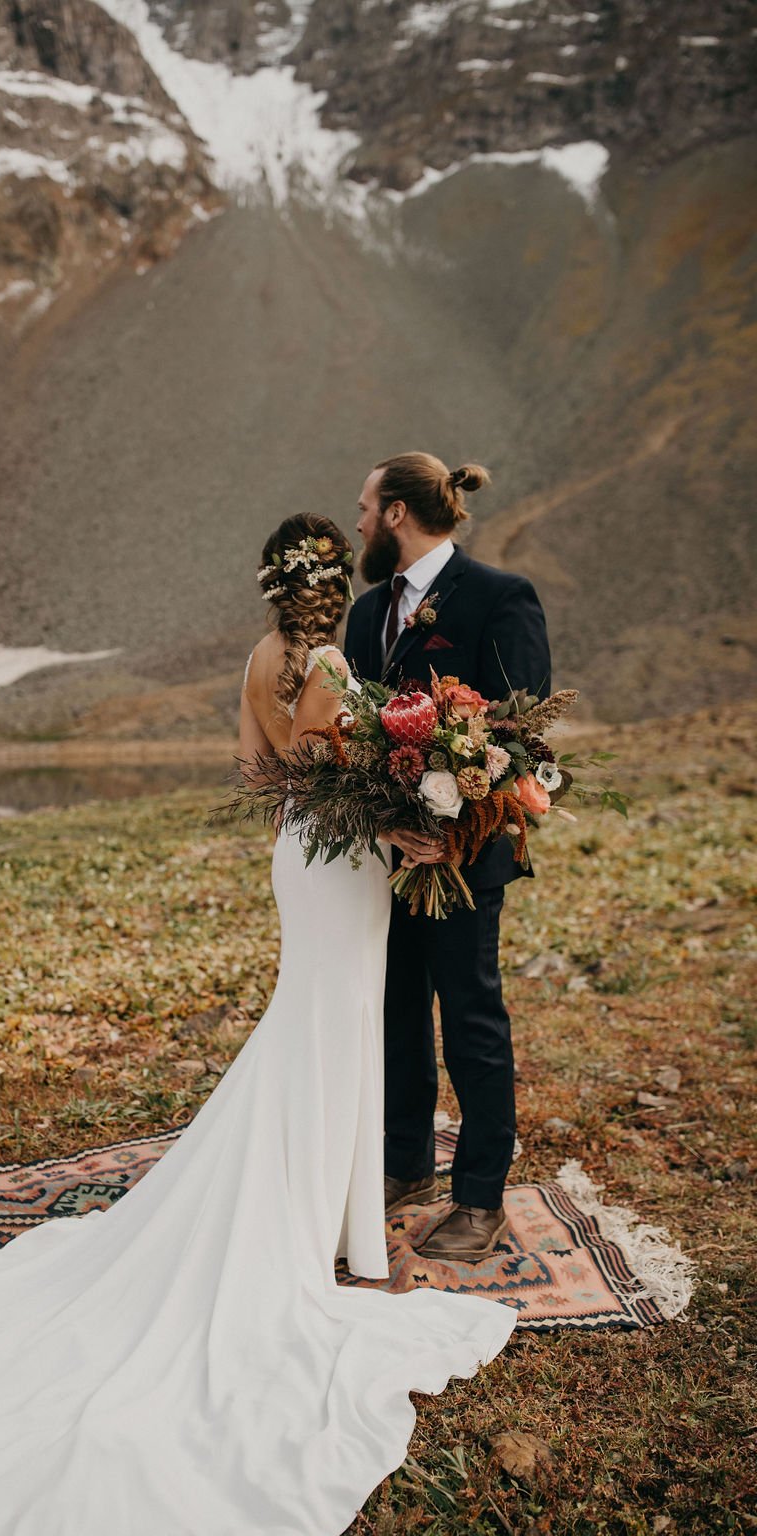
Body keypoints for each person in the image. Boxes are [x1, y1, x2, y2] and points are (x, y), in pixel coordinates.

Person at [0, 513, 516, 1536]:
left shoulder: (258, 660)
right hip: (345, 865)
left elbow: (260, 776)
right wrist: (402, 828)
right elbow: (350, 779)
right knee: (334, 1022)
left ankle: (333, 1215)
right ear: (333, 589)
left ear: (271, 587)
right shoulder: (339, 665)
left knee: (315, 1018)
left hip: (297, 854)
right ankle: (334, 1232)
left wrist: (329, 799)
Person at [345, 452, 551, 1263]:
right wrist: (387, 825)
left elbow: (521, 728)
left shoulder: (500, 596)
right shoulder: (367, 615)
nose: (357, 519)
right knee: (396, 1013)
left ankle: (478, 1197)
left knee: (470, 1019)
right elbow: (353, 738)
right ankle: (405, 1167)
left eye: (365, 506)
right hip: (390, 858)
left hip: (467, 857)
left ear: (397, 512)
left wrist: (456, 829)